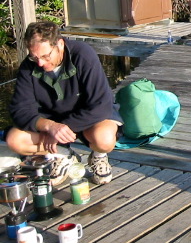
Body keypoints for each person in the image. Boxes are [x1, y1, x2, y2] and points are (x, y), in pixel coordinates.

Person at [6, 21, 121, 185]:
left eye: (46, 56)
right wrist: (49, 126)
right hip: (51, 121)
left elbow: (101, 105)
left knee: (104, 139)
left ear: (60, 44)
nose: (40, 63)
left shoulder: (83, 54)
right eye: (34, 57)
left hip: (88, 119)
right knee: (14, 140)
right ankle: (63, 154)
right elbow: (19, 109)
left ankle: (98, 156)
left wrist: (63, 128)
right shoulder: (28, 66)